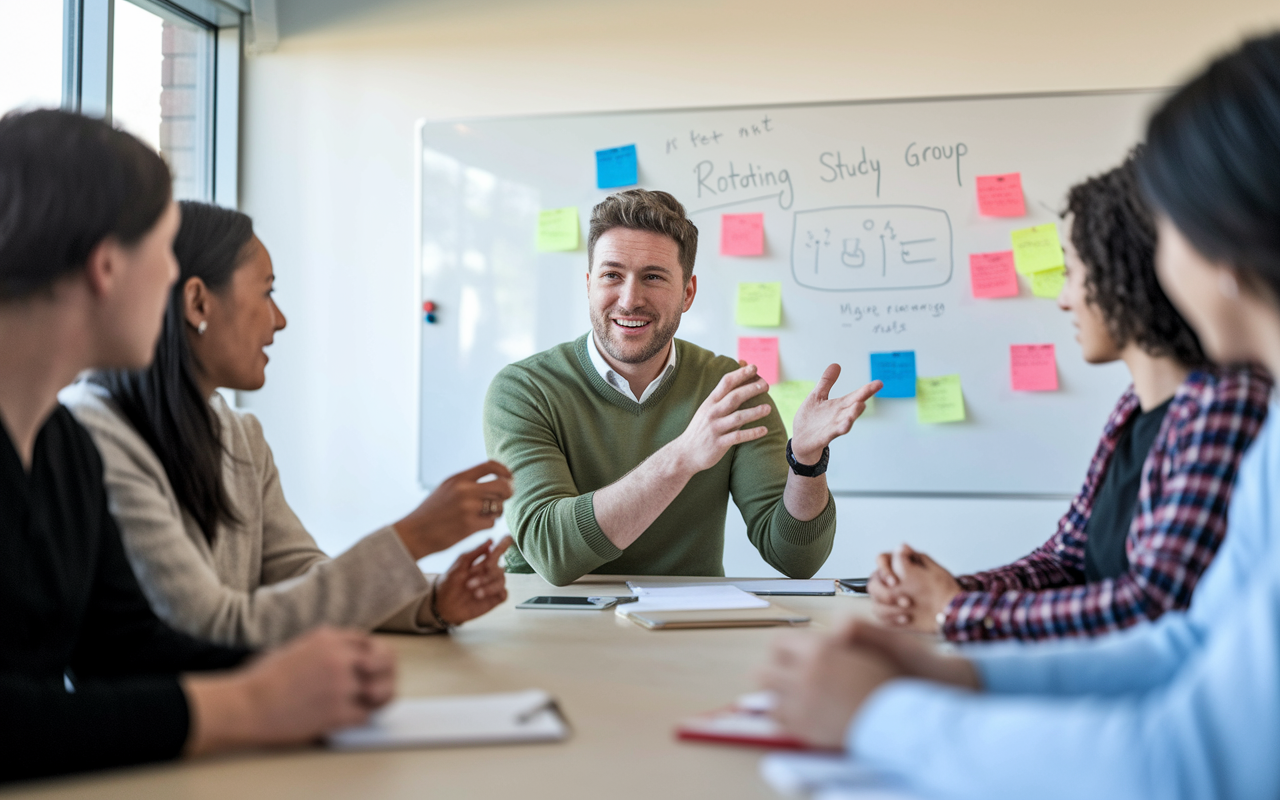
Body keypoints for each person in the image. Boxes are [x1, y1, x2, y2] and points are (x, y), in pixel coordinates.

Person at [760, 32, 1280, 800]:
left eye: (1167, 230)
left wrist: (893, 703)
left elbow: (1193, 755)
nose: (1063, 295)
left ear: (1224, 241)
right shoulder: (1237, 434)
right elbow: (1186, 639)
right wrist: (957, 660)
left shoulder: (1235, 409)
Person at [0, 109, 395, 783]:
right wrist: (252, 701)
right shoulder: (90, 430)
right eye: (161, 249)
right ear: (106, 265)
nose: (171, 283)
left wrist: (314, 669)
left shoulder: (64, 447)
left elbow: (127, 649)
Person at [61, 201, 513, 649]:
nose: (279, 321)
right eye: (267, 292)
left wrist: (429, 603)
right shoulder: (92, 434)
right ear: (198, 302)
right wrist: (413, 536)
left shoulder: (240, 435)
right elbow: (207, 628)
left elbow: (299, 575)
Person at [867, 154, 1270, 642]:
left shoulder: (1225, 406)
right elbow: (1065, 559)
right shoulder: (1131, 409)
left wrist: (956, 609)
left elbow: (1151, 603)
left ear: (1123, 276)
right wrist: (942, 591)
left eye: (1074, 273)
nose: (1063, 299)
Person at [483, 189, 879, 585]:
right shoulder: (524, 390)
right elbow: (553, 552)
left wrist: (806, 463)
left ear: (687, 293)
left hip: (684, 621)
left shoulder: (731, 391)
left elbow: (796, 559)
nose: (629, 298)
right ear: (589, 284)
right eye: (612, 275)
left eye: (653, 277)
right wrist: (684, 455)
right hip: (550, 617)